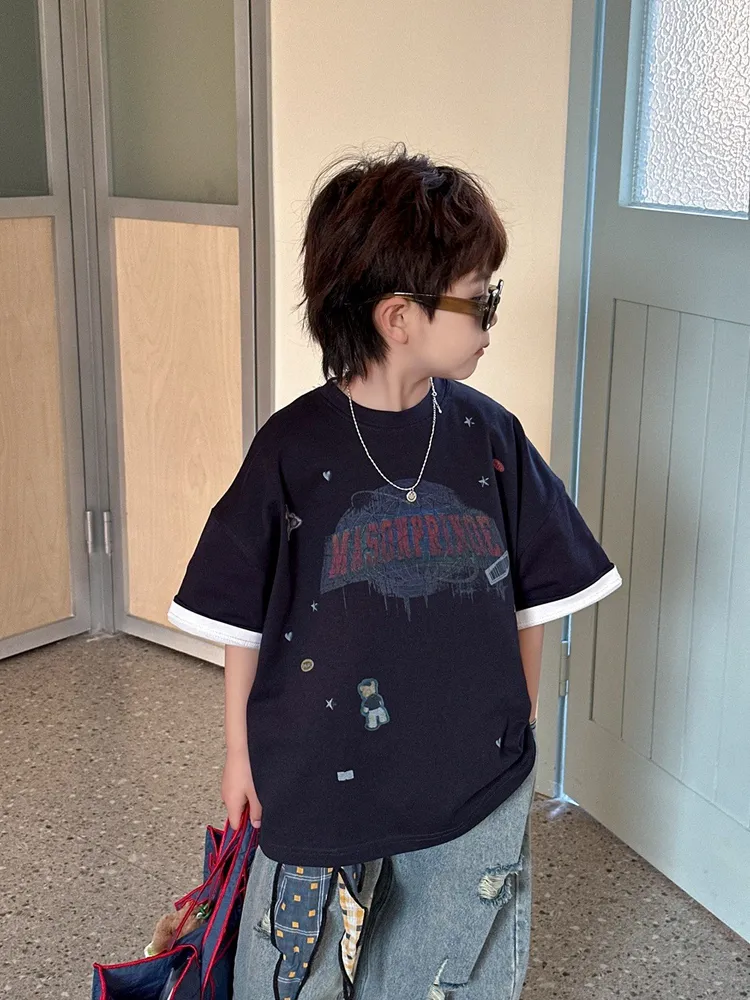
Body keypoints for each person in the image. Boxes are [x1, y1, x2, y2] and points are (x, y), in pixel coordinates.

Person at [167, 147, 623, 1000]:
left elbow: (539, 592)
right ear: (399, 317)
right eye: (480, 298)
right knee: (297, 966)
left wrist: (517, 713)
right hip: (317, 776)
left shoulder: (490, 437)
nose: (491, 318)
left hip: (470, 779)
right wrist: (238, 754)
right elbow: (240, 619)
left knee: (444, 963)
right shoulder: (289, 450)